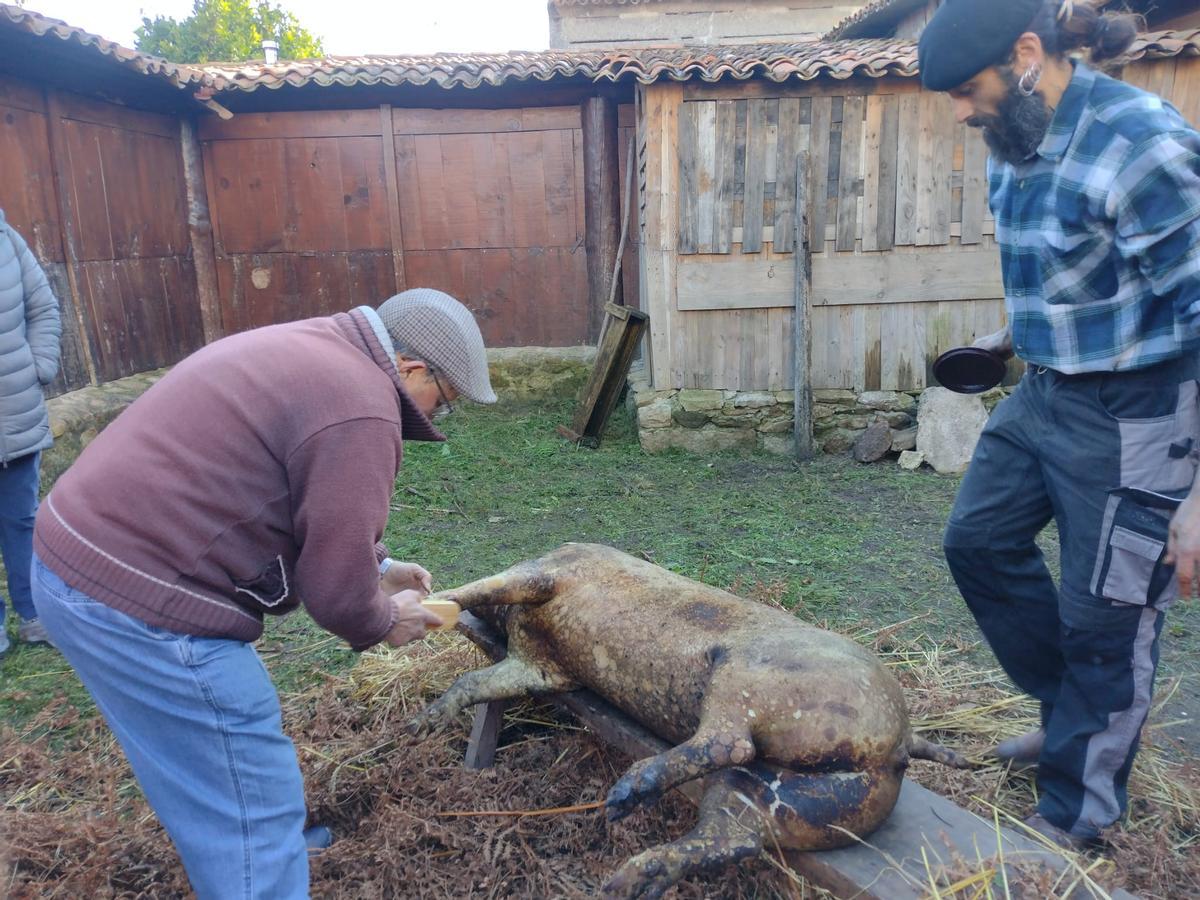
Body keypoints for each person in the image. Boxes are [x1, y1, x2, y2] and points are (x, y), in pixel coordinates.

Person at [31, 288, 497, 897]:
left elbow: (295, 494)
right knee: (246, 764)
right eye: (447, 399)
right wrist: (384, 619)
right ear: (412, 368)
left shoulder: (315, 347)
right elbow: (336, 597)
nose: (438, 417)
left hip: (78, 557)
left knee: (202, 766)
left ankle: (251, 847)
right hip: (139, 597)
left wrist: (376, 565)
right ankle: (259, 861)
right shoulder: (362, 408)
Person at [919, 0, 1200, 849]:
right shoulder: (1014, 137)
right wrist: (1006, 336)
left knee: (1107, 616)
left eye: (969, 91)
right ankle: (1072, 712)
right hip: (1045, 392)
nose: (962, 114)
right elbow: (1067, 260)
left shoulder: (1141, 145)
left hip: (1141, 409)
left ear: (1029, 55)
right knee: (977, 542)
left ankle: (1075, 817)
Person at [0, 208, 61, 659]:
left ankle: (35, 614)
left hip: (13, 410)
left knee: (23, 519)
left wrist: (39, 364)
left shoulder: (5, 237)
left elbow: (42, 306)